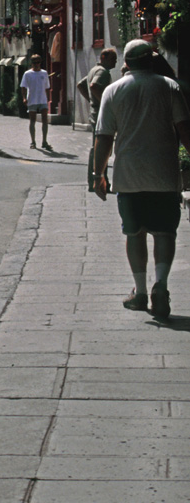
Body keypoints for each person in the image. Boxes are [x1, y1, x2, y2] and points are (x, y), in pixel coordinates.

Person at [94, 39, 190, 319]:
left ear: (126, 62)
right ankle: (160, 284)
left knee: (133, 233)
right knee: (164, 232)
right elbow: (185, 131)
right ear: (151, 60)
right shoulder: (168, 87)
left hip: (129, 175)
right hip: (164, 173)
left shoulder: (113, 91)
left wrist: (98, 174)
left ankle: (140, 292)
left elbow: (104, 138)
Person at [78, 47, 117, 189]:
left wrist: (91, 100)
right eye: (113, 59)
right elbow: (93, 86)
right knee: (101, 146)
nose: (115, 62)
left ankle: (93, 180)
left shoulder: (93, 70)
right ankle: (98, 180)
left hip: (94, 111)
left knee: (96, 146)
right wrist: (103, 101)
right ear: (104, 58)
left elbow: (81, 85)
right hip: (100, 112)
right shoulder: (102, 72)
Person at [21, 53, 52, 150]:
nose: (36, 64)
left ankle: (44, 141)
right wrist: (24, 98)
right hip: (32, 99)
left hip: (42, 99)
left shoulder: (44, 73)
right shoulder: (27, 74)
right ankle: (33, 141)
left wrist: (48, 98)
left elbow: (47, 87)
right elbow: (23, 86)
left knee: (45, 120)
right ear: (31, 63)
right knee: (32, 120)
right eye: (34, 62)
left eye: (38, 62)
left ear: (40, 63)